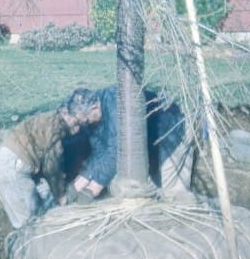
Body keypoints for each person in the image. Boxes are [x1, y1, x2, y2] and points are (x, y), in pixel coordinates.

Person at [65, 86, 194, 204]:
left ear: (94, 107)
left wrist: (93, 189)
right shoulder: (94, 116)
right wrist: (78, 185)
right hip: (150, 136)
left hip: (172, 128)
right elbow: (99, 153)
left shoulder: (116, 107)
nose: (86, 124)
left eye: (87, 120)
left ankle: (185, 219)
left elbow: (116, 152)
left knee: (171, 192)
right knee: (144, 188)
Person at [0, 97, 99, 228]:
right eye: (76, 123)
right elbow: (51, 168)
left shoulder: (49, 119)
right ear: (64, 112)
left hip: (5, 166)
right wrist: (61, 195)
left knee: (23, 221)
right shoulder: (54, 131)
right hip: (12, 171)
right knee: (30, 225)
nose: (77, 128)